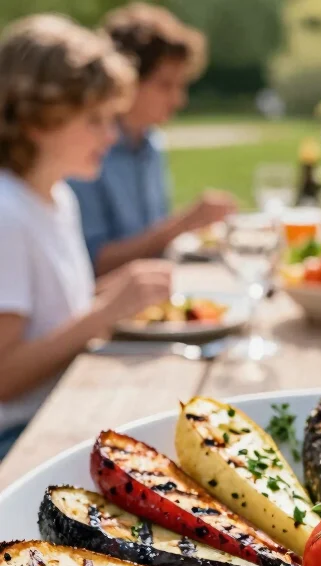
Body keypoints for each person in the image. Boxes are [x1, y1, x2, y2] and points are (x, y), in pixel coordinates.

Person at [0, 15, 173, 459]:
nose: (111, 135)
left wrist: (117, 292)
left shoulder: (56, 197)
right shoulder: (7, 213)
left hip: (63, 409)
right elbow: (5, 377)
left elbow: (51, 317)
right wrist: (106, 312)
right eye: (95, 120)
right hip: (21, 437)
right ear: (39, 120)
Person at [70, 4, 236, 275]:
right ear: (126, 81)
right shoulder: (87, 149)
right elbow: (91, 263)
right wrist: (183, 224)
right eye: (165, 85)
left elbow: (153, 243)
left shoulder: (151, 143)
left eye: (181, 85)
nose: (178, 100)